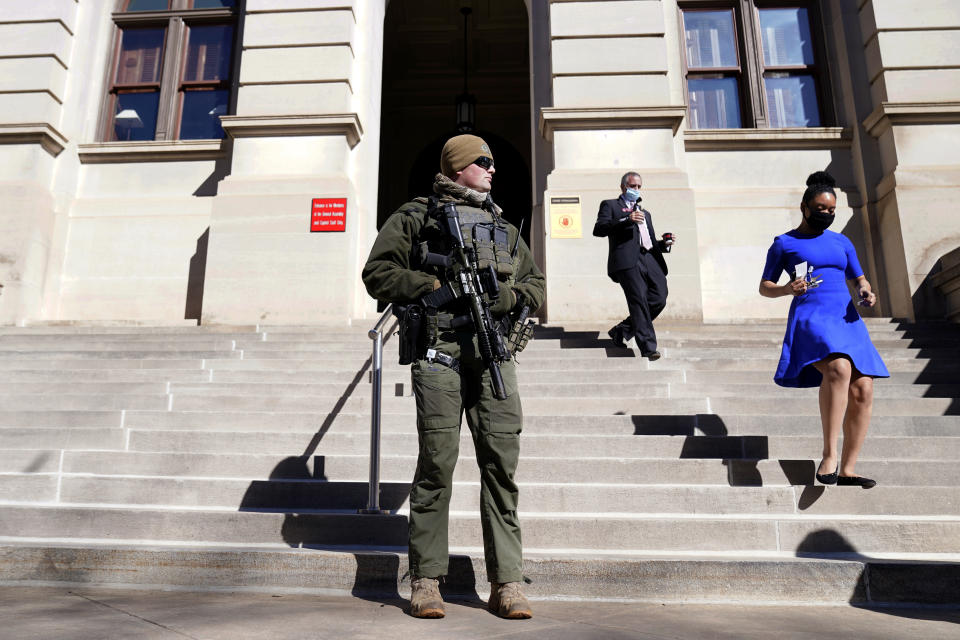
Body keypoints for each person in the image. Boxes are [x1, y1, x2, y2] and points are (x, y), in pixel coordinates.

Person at [362, 134, 545, 619]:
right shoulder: (415, 217)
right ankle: (426, 579)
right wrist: (437, 287)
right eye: (482, 162)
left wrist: (507, 299)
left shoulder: (503, 227)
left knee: (500, 469)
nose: (491, 169)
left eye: (491, 161)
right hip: (440, 351)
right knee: (437, 465)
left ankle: (507, 582)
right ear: (458, 166)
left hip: (495, 355)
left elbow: (535, 285)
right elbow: (378, 273)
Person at [759, 171, 889, 488]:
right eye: (820, 208)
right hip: (812, 316)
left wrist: (864, 291)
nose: (827, 214)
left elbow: (859, 278)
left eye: (831, 210)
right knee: (839, 367)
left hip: (846, 318)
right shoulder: (784, 243)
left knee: (864, 388)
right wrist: (788, 288)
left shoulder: (842, 242)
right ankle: (829, 455)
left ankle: (848, 468)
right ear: (805, 207)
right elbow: (765, 286)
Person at [593, 172, 674, 359]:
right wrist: (626, 220)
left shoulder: (646, 214)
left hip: (650, 258)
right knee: (638, 300)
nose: (636, 189)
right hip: (627, 262)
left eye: (639, 186)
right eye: (632, 186)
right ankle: (648, 347)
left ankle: (622, 330)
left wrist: (664, 244)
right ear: (623, 187)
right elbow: (599, 229)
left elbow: (649, 241)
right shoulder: (611, 205)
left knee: (659, 297)